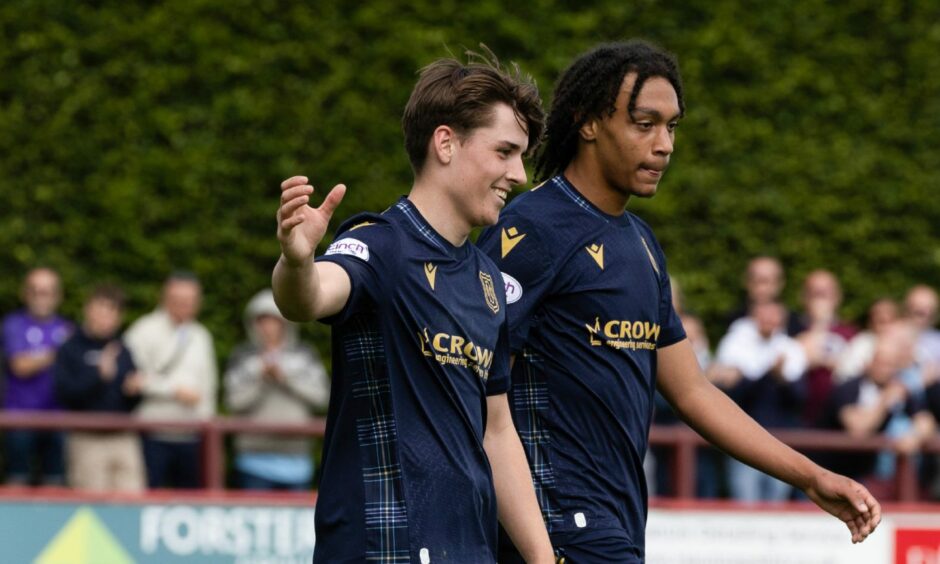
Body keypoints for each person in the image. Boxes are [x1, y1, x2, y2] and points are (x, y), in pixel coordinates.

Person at [477, 40, 880, 562]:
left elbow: (693, 392)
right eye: (644, 123)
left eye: (671, 126)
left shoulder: (641, 245)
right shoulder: (530, 228)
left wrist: (811, 476)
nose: (664, 144)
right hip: (553, 529)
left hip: (618, 524)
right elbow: (479, 393)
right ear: (588, 122)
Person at [272, 52, 554, 563]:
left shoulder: (491, 282)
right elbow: (311, 297)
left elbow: (498, 429)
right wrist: (296, 263)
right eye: (506, 152)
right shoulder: (382, 244)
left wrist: (541, 558)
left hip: (471, 551)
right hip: (383, 549)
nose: (519, 174)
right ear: (446, 143)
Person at [224, 289, 329, 491]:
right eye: (262, 321)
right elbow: (233, 402)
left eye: (274, 320)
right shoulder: (242, 356)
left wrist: (285, 378)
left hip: (297, 459)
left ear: (285, 323)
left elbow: (321, 397)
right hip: (253, 460)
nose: (268, 327)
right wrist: (262, 379)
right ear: (253, 323)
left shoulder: (304, 355)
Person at [819, 323, 935, 499]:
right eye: (881, 363)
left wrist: (914, 437)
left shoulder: (900, 389)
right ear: (869, 362)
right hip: (838, 475)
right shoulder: (848, 388)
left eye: (891, 365)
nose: (886, 369)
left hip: (877, 479)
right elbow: (858, 428)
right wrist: (884, 401)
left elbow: (926, 421)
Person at [124, 272, 217, 489]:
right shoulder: (142, 330)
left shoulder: (202, 336)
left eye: (190, 300)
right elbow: (131, 381)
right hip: (151, 435)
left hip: (192, 438)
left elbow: (209, 387)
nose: (184, 305)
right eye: (178, 299)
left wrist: (208, 426)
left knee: (191, 502)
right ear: (165, 297)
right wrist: (174, 390)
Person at [54, 285, 146, 492]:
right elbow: (65, 394)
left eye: (112, 311)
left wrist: (135, 391)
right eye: (101, 309)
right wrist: (98, 376)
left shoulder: (123, 348)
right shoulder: (70, 348)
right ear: (88, 310)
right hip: (87, 438)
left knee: (132, 503)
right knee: (92, 510)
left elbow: (131, 399)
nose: (105, 318)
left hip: (123, 436)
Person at [713, 301, 808, 502]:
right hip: (743, 438)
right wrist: (770, 374)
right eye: (764, 316)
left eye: (773, 317)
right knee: (744, 501)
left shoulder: (791, 349)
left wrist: (778, 377)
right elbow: (732, 393)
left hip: (780, 440)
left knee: (776, 505)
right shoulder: (737, 344)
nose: (768, 322)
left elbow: (799, 398)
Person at [2, 267, 72, 486]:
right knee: (18, 481)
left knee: (55, 484)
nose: (42, 297)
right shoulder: (13, 324)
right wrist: (57, 353)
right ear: (25, 293)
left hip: (57, 418)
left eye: (48, 291)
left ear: (58, 296)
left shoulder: (67, 327)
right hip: (20, 418)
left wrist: (39, 358)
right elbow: (20, 365)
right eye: (36, 291)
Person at [794, 270, 857, 425]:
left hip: (838, 420)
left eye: (825, 293)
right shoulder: (793, 329)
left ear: (837, 297)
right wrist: (820, 324)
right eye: (816, 293)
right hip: (800, 418)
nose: (821, 299)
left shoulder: (850, 334)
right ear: (804, 297)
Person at [725, 256, 803, 336]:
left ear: (780, 284)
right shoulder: (734, 320)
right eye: (756, 281)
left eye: (767, 281)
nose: (762, 288)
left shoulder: (796, 323)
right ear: (746, 282)